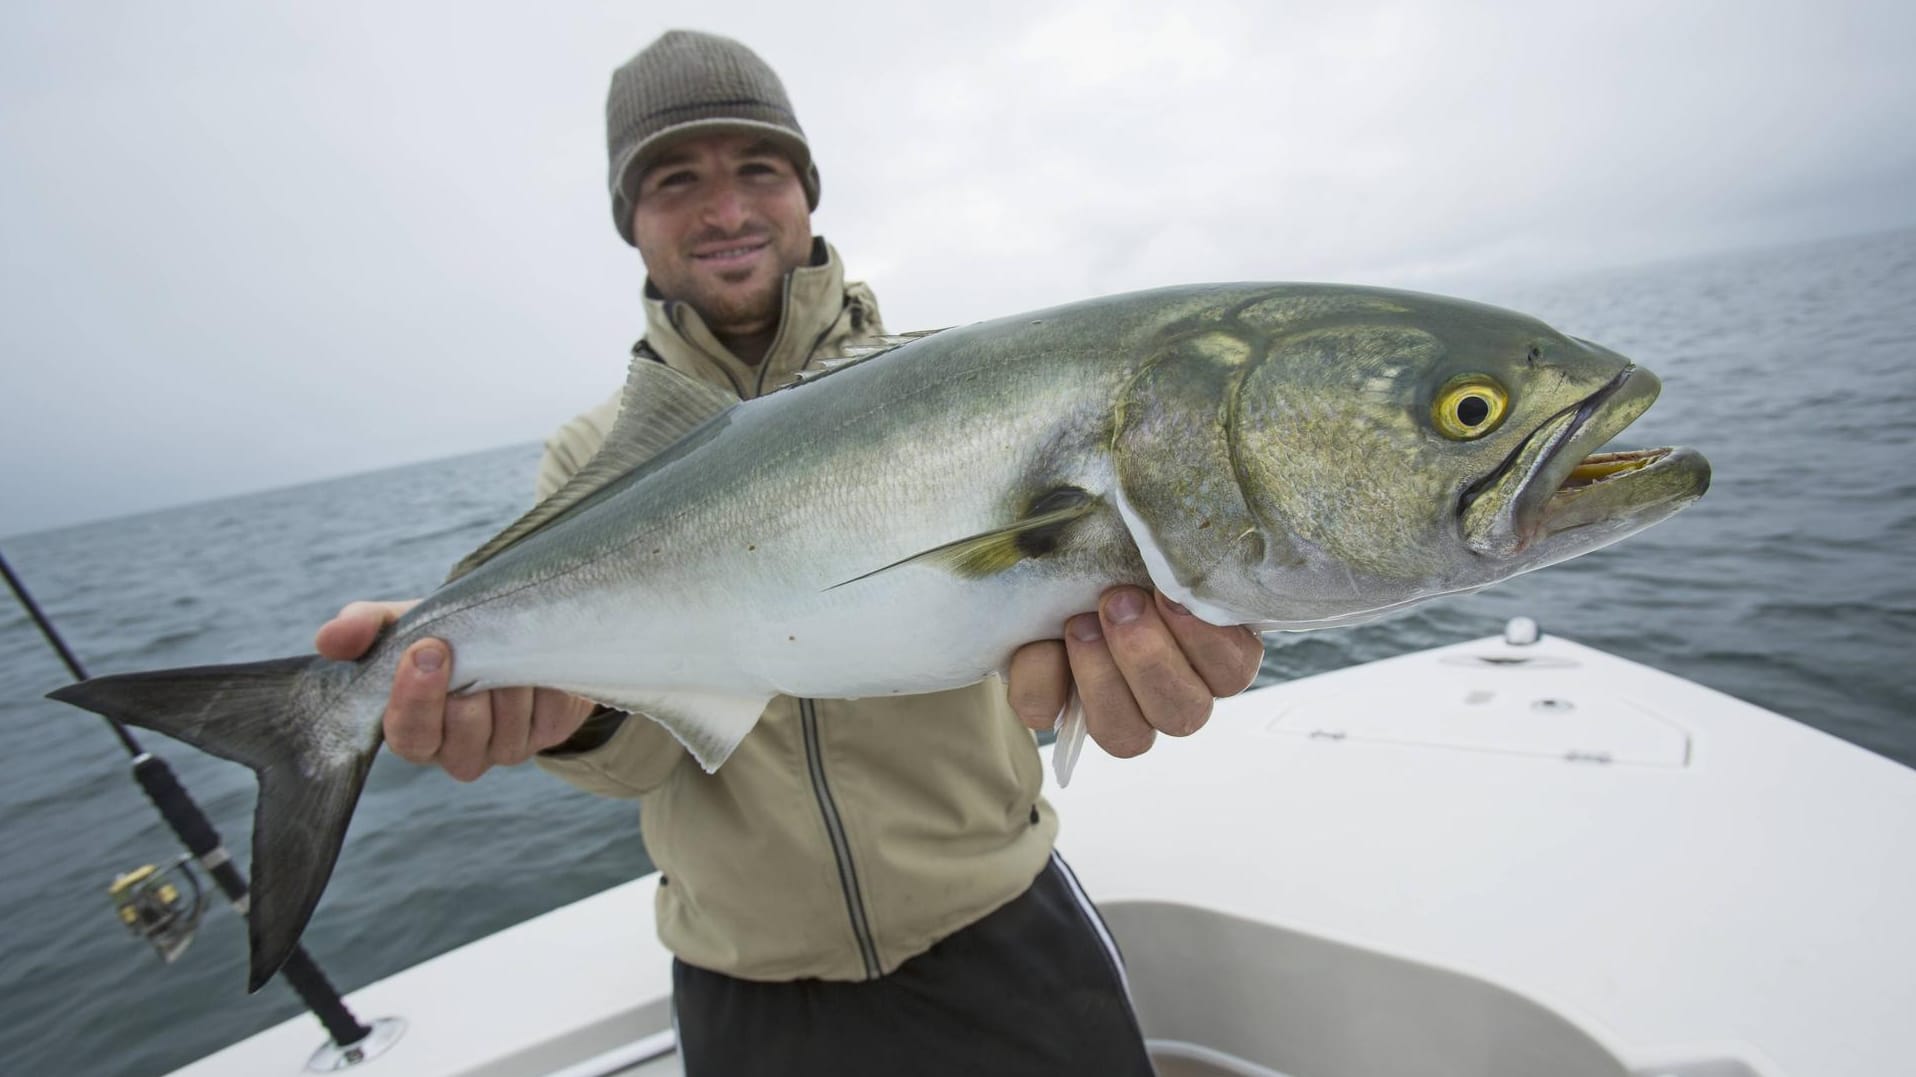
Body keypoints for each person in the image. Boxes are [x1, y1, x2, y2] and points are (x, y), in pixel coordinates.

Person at [315, 29, 1263, 1077]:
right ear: (630, 221)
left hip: (996, 922)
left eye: (756, 169)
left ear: (806, 194)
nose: (724, 210)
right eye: (675, 181)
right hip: (746, 983)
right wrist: (570, 718)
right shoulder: (592, 457)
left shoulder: (963, 392)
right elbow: (648, 753)